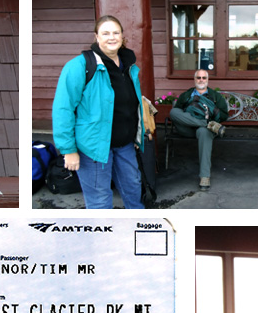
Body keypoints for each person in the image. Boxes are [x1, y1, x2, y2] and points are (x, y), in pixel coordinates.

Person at [52, 14, 145, 211]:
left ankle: (138, 229)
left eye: (116, 32)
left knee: (133, 188)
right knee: (99, 200)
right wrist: (68, 150)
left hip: (125, 144)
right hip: (93, 147)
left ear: (122, 36)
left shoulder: (128, 65)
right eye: (105, 33)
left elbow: (131, 103)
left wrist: (137, 135)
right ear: (96, 36)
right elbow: (63, 109)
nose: (111, 37)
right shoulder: (79, 66)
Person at [168, 69, 229, 190]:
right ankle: (206, 123)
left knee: (203, 131)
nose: (201, 80)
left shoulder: (215, 96)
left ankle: (204, 176)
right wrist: (205, 122)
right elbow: (177, 112)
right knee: (173, 111)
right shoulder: (187, 95)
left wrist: (213, 115)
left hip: (205, 132)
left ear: (208, 80)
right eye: (198, 78)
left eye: (204, 78)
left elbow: (224, 114)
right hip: (188, 128)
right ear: (194, 79)